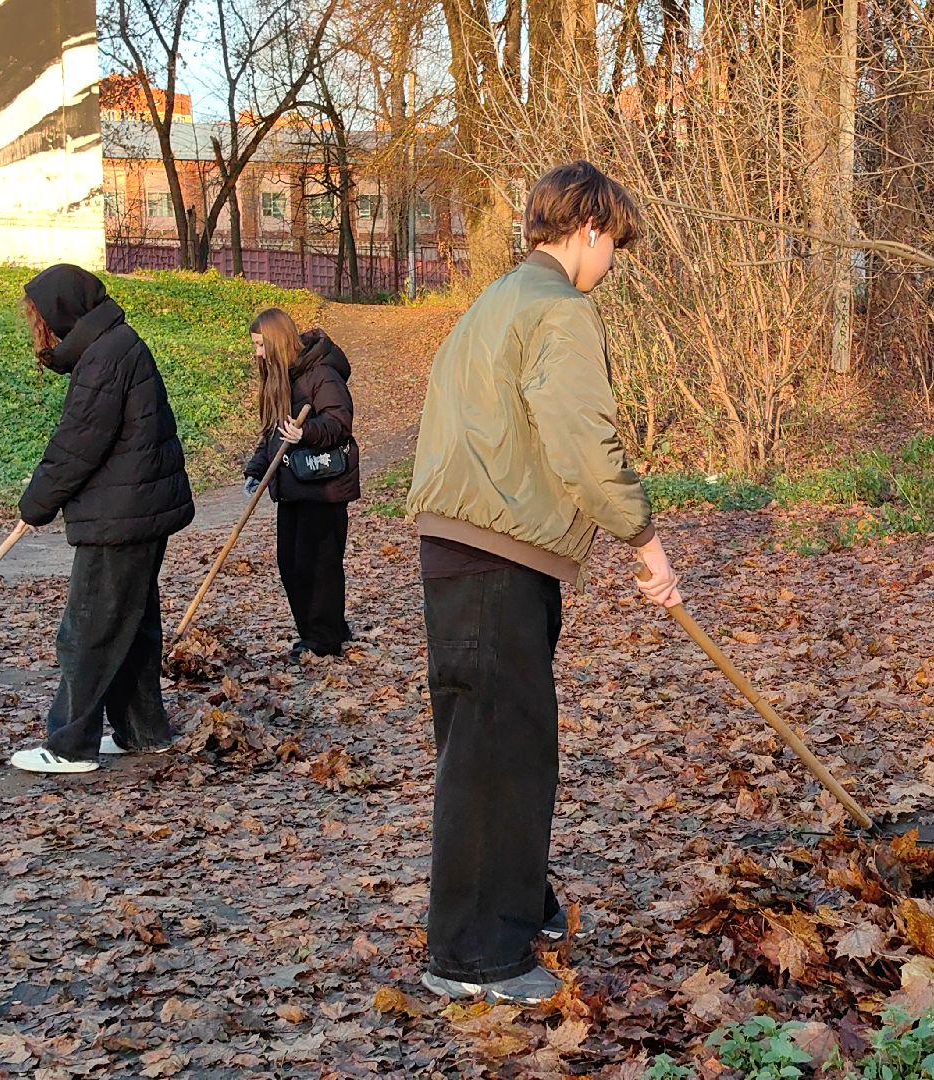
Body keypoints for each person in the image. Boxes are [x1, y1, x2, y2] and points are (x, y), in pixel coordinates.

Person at [404, 160, 683, 1004]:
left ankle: (518, 903)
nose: (614, 263)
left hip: (468, 549)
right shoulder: (560, 312)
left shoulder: (498, 301)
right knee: (498, 754)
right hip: (496, 555)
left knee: (497, 743)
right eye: (616, 245)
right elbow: (584, 445)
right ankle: (474, 958)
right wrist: (645, 539)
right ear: (590, 228)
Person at [9, 264, 195, 774]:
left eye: (39, 318)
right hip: (135, 512)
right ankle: (143, 732)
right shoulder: (113, 345)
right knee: (130, 627)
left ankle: (69, 745)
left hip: (122, 517)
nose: (37, 328)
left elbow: (77, 443)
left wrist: (36, 505)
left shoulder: (107, 357)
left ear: (62, 312)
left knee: (88, 628)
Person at [242, 309, 359, 661]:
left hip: (323, 486)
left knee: (318, 564)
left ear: (276, 341)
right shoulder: (283, 377)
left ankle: (322, 640)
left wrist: (306, 432)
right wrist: (257, 467)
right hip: (293, 485)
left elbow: (340, 421)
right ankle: (324, 629)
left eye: (261, 345)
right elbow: (272, 433)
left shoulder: (321, 373)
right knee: (290, 562)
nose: (258, 354)